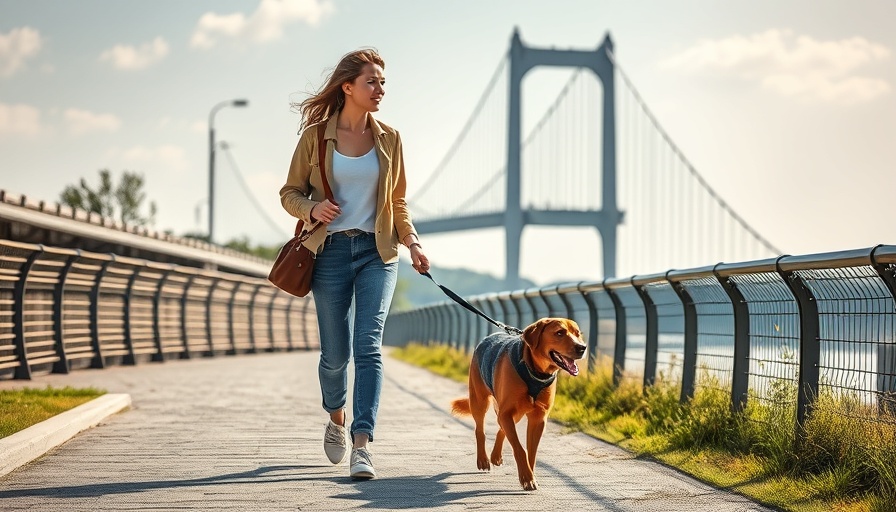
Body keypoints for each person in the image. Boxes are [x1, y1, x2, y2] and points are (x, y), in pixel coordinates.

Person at [279, 48, 430, 480]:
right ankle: (335, 417)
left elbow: (397, 201)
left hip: (377, 253)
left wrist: (413, 244)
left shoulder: (390, 139)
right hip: (327, 254)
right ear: (348, 87)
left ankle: (362, 445)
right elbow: (289, 193)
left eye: (382, 83)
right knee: (334, 356)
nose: (380, 90)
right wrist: (312, 209)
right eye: (372, 82)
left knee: (368, 346)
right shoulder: (314, 137)